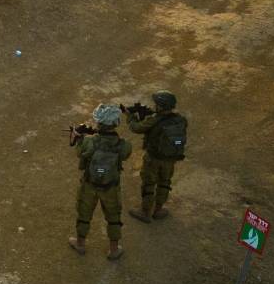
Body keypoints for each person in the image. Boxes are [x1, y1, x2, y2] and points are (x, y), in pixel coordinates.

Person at [69, 104, 132, 260]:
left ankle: (80, 243)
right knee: (113, 216)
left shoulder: (89, 142)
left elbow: (80, 154)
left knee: (84, 213)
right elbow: (125, 156)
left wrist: (78, 138)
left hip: (90, 184)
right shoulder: (123, 145)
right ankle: (114, 249)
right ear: (116, 123)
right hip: (110, 187)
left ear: (99, 122)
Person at [127, 90, 189, 223]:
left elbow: (136, 128)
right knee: (164, 182)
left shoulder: (154, 120)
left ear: (161, 106)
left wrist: (131, 117)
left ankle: (145, 212)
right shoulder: (180, 120)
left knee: (149, 183)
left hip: (153, 158)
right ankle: (159, 209)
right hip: (170, 159)